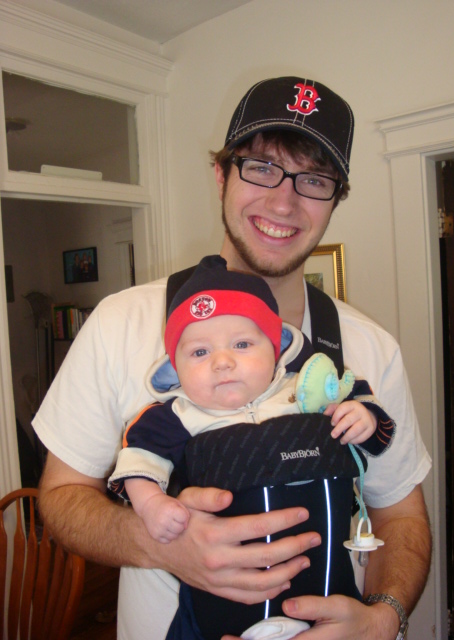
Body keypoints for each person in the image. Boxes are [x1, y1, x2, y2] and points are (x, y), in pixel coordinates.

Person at [34, 76, 432, 640]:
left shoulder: (370, 349)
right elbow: (60, 499)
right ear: (221, 175)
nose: (283, 200)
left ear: (336, 199)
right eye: (262, 167)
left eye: (313, 179)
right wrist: (161, 543)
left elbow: (402, 516)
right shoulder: (121, 324)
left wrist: (383, 617)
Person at [107, 254, 395, 640]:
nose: (222, 362)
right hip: (225, 617)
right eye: (199, 352)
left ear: (278, 347)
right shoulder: (175, 416)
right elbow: (137, 461)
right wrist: (150, 503)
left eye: (242, 343)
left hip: (328, 606)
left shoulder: (303, 390)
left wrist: (364, 418)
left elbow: (365, 406)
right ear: (173, 368)